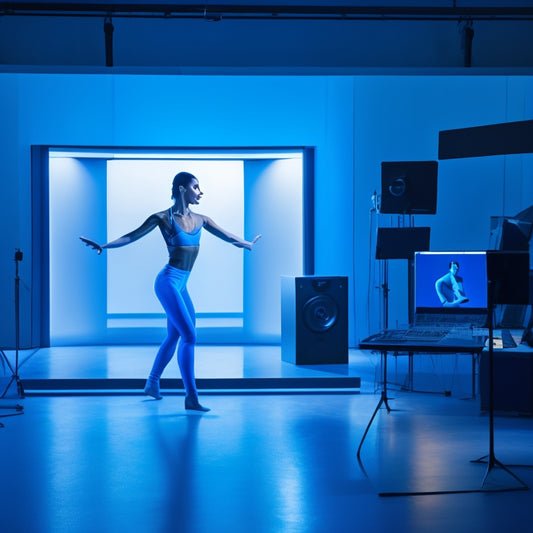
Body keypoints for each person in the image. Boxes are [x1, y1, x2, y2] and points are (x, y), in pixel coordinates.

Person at [80, 171, 261, 411]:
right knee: (190, 336)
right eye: (196, 187)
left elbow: (227, 235)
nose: (201, 192)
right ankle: (191, 397)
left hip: (181, 284)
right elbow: (131, 236)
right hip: (167, 283)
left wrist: (246, 243)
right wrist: (104, 245)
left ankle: (152, 383)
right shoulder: (163, 218)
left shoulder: (202, 219)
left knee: (176, 335)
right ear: (182, 188)